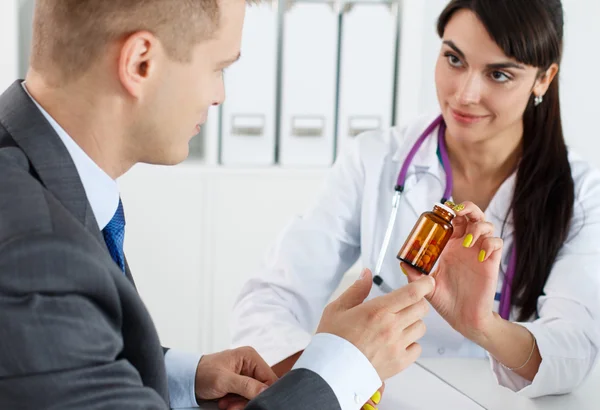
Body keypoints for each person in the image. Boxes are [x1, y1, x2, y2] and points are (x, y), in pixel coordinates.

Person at [0, 0, 442, 409]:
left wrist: (178, 375)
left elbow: (60, 347)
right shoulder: (35, 253)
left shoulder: (29, 177)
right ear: (141, 63)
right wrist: (341, 369)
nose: (220, 96)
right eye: (219, 69)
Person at [232, 0, 600, 401]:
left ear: (544, 79)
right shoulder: (375, 158)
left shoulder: (582, 191)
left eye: (498, 74)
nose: (465, 94)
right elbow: (275, 294)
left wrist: (483, 326)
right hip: (380, 396)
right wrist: (321, 381)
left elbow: (575, 349)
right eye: (454, 59)